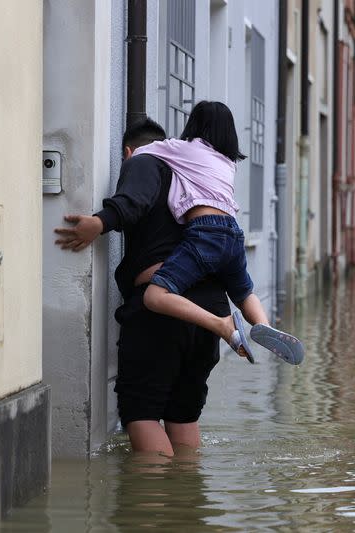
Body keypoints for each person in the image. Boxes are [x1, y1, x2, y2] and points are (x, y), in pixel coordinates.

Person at [54, 118, 233, 456]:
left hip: (162, 312)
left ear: (128, 152)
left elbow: (134, 199)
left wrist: (99, 222)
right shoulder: (195, 176)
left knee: (143, 413)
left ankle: (151, 507)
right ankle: (185, 501)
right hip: (211, 310)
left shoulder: (144, 160)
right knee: (183, 415)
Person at [133, 101, 303, 365]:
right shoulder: (227, 163)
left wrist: (129, 158)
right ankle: (264, 325)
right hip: (233, 234)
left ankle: (222, 324)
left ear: (195, 124)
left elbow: (142, 152)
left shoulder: (183, 148)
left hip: (205, 233)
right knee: (244, 293)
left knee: (154, 296)